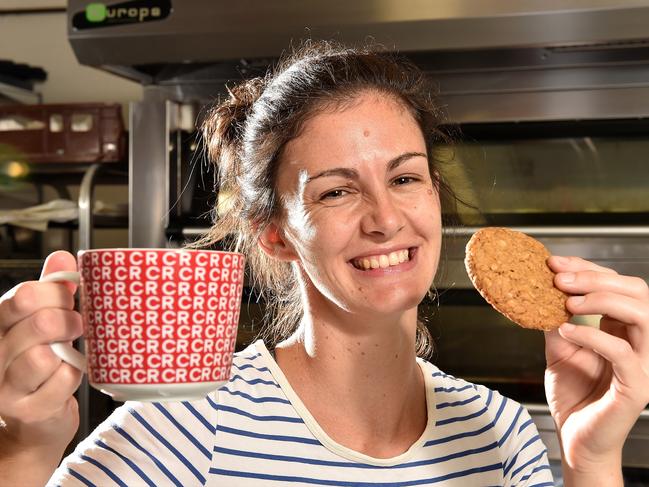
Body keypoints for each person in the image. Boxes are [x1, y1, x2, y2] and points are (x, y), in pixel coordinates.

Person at [1, 40, 648, 486]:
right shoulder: (184, 427)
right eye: (336, 190)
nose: (384, 218)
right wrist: (22, 450)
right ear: (274, 234)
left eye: (405, 178)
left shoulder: (500, 434)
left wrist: (592, 457)